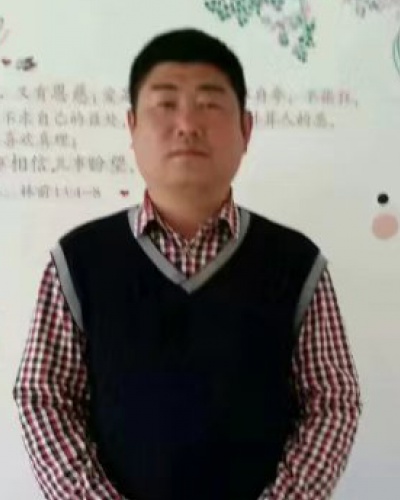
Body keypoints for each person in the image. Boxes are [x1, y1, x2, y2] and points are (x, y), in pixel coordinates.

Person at [13, 28, 362, 500]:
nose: (187, 124)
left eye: (210, 104)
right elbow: (43, 396)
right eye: (165, 103)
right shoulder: (76, 262)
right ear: (132, 127)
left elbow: (332, 401)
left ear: (246, 130)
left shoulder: (298, 264)